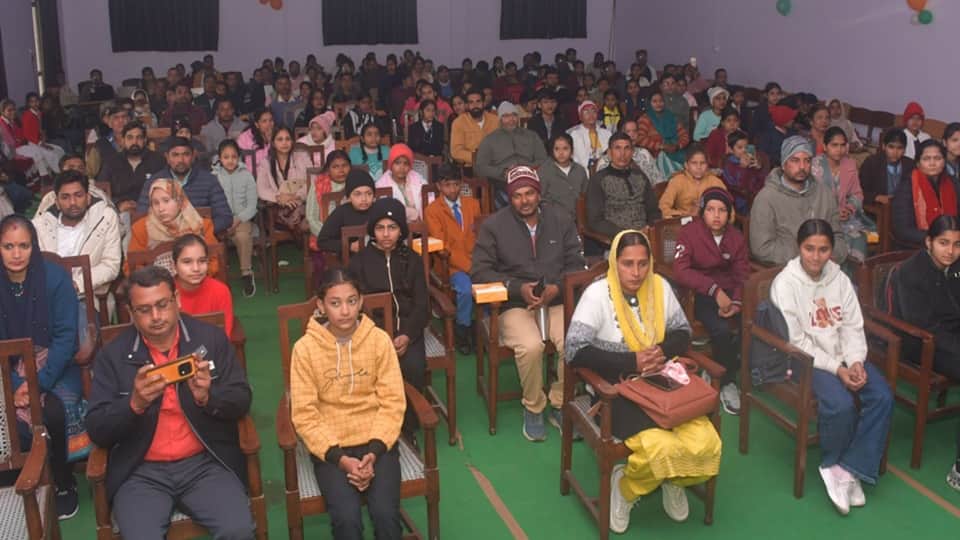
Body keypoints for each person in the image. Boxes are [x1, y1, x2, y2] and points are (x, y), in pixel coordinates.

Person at [565, 229, 720, 533]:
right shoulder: (598, 294)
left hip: (663, 384)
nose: (636, 273)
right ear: (614, 262)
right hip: (614, 390)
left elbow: (682, 333)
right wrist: (631, 361)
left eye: (642, 263)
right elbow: (575, 351)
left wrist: (661, 351)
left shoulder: (659, 287)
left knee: (706, 442)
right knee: (660, 447)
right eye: (627, 264)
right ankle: (626, 488)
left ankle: (673, 479)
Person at [85, 265, 254, 538]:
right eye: (144, 309)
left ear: (176, 300)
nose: (155, 316)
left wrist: (207, 397)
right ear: (131, 312)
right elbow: (97, 427)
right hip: (141, 471)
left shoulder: (209, 338)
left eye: (162, 304)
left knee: (238, 530)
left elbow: (242, 398)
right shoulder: (113, 356)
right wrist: (134, 405)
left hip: (204, 462)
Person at [770, 219, 893, 514]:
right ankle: (831, 462)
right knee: (840, 405)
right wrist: (837, 369)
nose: (815, 256)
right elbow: (796, 340)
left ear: (831, 250)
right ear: (799, 248)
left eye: (823, 249)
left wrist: (855, 362)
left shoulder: (839, 279)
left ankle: (849, 468)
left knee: (882, 396)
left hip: (843, 356)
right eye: (809, 249)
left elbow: (852, 326)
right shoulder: (785, 284)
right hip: (805, 360)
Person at [471, 166, 586, 441]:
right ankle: (534, 407)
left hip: (555, 299)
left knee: (573, 342)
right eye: (518, 196)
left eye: (530, 193)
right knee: (532, 347)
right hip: (513, 305)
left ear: (539, 193)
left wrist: (556, 287)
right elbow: (480, 272)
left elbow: (577, 264)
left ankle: (559, 402)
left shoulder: (561, 219)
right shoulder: (494, 226)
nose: (525, 201)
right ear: (509, 198)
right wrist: (516, 288)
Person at [290, 268, 405, 540]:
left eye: (352, 301)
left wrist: (375, 452)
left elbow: (393, 402)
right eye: (335, 303)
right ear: (320, 305)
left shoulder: (379, 341)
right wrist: (341, 460)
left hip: (378, 443)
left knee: (386, 515)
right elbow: (305, 414)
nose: (345, 311)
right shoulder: (305, 349)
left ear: (361, 301)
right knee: (346, 520)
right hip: (332, 449)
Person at [0, 215, 82, 519]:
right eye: (8, 246)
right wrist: (11, 383)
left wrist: (35, 384)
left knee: (54, 413)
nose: (16, 253)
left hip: (54, 363)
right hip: (5, 368)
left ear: (34, 246)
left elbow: (65, 338)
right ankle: (17, 477)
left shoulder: (55, 277)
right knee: (8, 417)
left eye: (23, 245)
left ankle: (63, 481)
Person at [885, 216, 960, 490]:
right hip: (923, 345)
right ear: (929, 242)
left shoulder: (957, 268)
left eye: (957, 244)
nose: (950, 251)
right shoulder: (910, 272)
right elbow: (924, 327)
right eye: (943, 243)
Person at [348, 198, 428, 438]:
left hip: (407, 330)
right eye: (380, 228)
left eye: (392, 228)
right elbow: (354, 307)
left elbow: (422, 304)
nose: (386, 234)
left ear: (400, 231)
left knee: (413, 366)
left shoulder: (411, 260)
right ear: (372, 230)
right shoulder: (358, 262)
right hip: (372, 333)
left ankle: (408, 426)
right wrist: (380, 338)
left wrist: (406, 335)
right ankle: (376, 423)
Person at [672, 188, 749, 413]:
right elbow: (681, 270)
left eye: (722, 210)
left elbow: (742, 274)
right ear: (702, 212)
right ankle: (726, 382)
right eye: (711, 210)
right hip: (701, 294)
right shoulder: (690, 232)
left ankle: (727, 367)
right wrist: (714, 290)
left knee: (753, 321)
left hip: (731, 295)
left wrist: (736, 302)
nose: (716, 215)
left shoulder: (735, 237)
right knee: (722, 330)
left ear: (730, 214)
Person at [750, 136, 847, 265]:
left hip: (825, 267)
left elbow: (838, 237)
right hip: (785, 271)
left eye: (807, 160)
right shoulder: (766, 198)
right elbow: (761, 249)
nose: (802, 167)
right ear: (784, 164)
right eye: (795, 160)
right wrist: (805, 257)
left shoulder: (824, 193)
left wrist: (827, 256)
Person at [34, 169, 121, 310]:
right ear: (56, 202)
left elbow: (111, 265)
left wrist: (76, 284)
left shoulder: (105, 218)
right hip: (47, 298)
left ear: (88, 197)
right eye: (65, 197)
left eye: (78, 195)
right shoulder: (40, 225)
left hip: (87, 298)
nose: (72, 202)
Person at [424, 164, 480, 353]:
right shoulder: (432, 211)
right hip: (450, 266)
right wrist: (468, 266)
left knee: (490, 285)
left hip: (477, 261)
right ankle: (462, 329)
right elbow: (442, 246)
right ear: (439, 186)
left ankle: (482, 329)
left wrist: (478, 264)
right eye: (447, 185)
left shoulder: (473, 204)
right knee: (464, 290)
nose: (452, 190)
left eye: (456, 184)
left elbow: (482, 235)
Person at [136, 137, 232, 234]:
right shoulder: (154, 182)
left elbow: (225, 216)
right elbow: (141, 216)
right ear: (167, 157)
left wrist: (200, 229)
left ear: (193, 156)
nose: (181, 160)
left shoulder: (209, 180)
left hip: (200, 237)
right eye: (175, 155)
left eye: (186, 154)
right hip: (164, 239)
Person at [128, 178, 219, 276]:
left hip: (197, 280)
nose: (161, 208)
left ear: (179, 201)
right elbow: (131, 264)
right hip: (157, 285)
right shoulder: (142, 227)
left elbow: (215, 260)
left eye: (166, 201)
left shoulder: (202, 225)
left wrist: (192, 277)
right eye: (155, 203)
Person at [812, 127, 873, 262]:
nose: (839, 149)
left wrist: (849, 208)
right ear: (825, 146)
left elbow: (857, 193)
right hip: (821, 217)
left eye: (842, 145)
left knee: (858, 237)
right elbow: (811, 199)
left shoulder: (850, 165)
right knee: (836, 241)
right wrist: (834, 213)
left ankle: (852, 281)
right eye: (834, 145)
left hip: (846, 218)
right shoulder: (815, 166)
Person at [588, 132, 662, 240]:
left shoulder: (640, 176)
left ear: (632, 152)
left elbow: (653, 210)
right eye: (617, 148)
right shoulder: (598, 179)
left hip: (645, 234)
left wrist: (649, 228)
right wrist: (624, 234)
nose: (622, 154)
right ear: (609, 152)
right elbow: (595, 220)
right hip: (617, 237)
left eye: (627, 148)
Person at [475, 101, 549, 207]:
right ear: (500, 119)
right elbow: (480, 167)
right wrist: (503, 172)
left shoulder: (531, 136)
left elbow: (543, 160)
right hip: (504, 182)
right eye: (506, 116)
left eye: (514, 115)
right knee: (509, 200)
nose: (511, 120)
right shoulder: (490, 140)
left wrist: (525, 170)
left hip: (530, 178)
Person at [893, 139, 960, 248]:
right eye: (926, 159)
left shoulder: (953, 183)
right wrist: (938, 238)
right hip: (917, 246)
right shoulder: (907, 186)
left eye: (937, 158)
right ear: (918, 163)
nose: (932, 163)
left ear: (944, 161)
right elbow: (902, 231)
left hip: (952, 242)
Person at [212, 140, 258, 297]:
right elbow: (211, 202)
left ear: (239, 158)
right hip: (220, 220)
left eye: (233, 156)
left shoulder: (247, 176)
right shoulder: (214, 177)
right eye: (226, 157)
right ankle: (215, 276)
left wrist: (237, 220)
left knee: (243, 237)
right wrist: (222, 220)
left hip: (241, 219)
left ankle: (246, 272)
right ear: (219, 158)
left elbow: (252, 205)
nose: (230, 160)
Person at [172, 234, 234, 339]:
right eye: (187, 262)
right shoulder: (165, 293)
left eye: (202, 261)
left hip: (212, 350)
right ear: (174, 266)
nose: (196, 268)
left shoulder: (220, 291)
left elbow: (224, 335)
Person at [98, 122, 165, 212]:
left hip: (151, 211)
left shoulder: (158, 160)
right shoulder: (111, 162)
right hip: (118, 212)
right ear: (123, 140)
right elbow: (101, 191)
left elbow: (166, 189)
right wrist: (118, 204)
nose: (134, 142)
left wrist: (143, 206)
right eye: (130, 138)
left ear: (145, 140)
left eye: (139, 138)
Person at [257, 127, 310, 233]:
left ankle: (297, 224)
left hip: (300, 202)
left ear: (292, 141)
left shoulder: (302, 157)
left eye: (287, 139)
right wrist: (279, 197)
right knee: (287, 215)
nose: (284, 143)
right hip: (278, 206)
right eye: (280, 139)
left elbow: (311, 182)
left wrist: (295, 196)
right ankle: (298, 227)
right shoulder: (265, 163)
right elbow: (261, 189)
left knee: (300, 212)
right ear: (273, 143)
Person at [316, 169, 376, 258]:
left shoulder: (378, 209)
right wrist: (349, 246)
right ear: (349, 197)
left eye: (369, 193)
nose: (364, 199)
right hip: (350, 260)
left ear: (374, 195)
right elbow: (322, 242)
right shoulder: (341, 213)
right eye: (357, 194)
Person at [658, 147, 727, 219]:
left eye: (703, 163)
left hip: (711, 223)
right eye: (694, 163)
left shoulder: (715, 181)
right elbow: (662, 208)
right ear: (686, 165)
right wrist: (686, 214)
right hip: (684, 222)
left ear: (707, 165)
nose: (699, 167)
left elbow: (728, 208)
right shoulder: (677, 181)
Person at [0, 99, 63, 177]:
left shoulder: (12, 121)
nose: (13, 112)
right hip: (13, 150)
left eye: (14, 109)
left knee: (53, 150)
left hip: (22, 145)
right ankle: (47, 176)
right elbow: (11, 143)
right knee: (38, 153)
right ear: (2, 112)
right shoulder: (2, 124)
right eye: (9, 110)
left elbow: (21, 136)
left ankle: (52, 174)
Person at [636, 91, 690, 179]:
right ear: (649, 103)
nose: (658, 104)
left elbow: (684, 135)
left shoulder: (671, 117)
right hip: (655, 155)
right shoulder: (645, 119)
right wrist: (662, 146)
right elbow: (640, 138)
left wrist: (677, 146)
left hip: (676, 152)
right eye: (654, 101)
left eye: (661, 101)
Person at [538, 132, 589, 222]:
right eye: (557, 149)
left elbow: (586, 195)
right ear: (552, 151)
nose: (561, 153)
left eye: (565, 148)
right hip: (554, 219)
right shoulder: (544, 170)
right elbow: (540, 198)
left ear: (572, 151)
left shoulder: (580, 170)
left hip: (579, 218)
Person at [376, 144, 427, 222]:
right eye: (397, 163)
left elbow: (428, 198)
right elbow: (386, 210)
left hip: (420, 224)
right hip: (396, 227)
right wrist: (410, 213)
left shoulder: (418, 178)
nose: (402, 167)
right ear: (391, 165)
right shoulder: (382, 184)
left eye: (406, 163)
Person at [450, 89, 500, 167]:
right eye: (471, 102)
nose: (475, 105)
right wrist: (477, 158)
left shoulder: (495, 120)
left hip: (495, 165)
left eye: (478, 101)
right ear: (466, 105)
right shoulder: (458, 123)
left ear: (484, 103)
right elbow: (456, 152)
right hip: (471, 168)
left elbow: (502, 145)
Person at [722, 130, 766, 214]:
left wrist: (758, 169)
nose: (744, 150)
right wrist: (743, 168)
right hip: (740, 200)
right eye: (739, 147)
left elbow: (761, 181)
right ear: (731, 149)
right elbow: (740, 186)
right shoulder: (729, 166)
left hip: (756, 195)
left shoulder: (750, 160)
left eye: (746, 147)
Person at [566, 100, 611, 175]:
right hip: (584, 174)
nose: (591, 114)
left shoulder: (607, 133)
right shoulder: (575, 134)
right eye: (586, 112)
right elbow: (580, 160)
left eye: (593, 111)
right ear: (580, 117)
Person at [236, 109, 274, 173]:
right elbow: (259, 161)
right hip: (251, 175)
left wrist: (270, 141)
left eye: (271, 120)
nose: (269, 124)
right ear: (256, 124)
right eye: (264, 121)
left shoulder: (277, 134)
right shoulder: (245, 137)